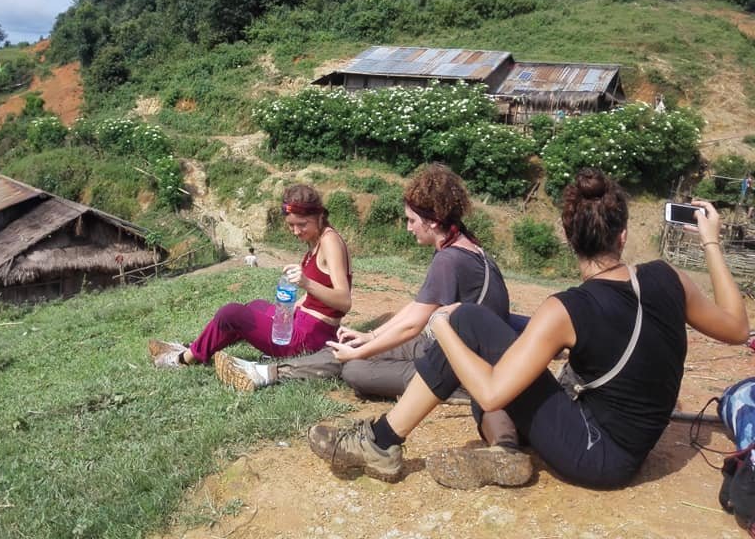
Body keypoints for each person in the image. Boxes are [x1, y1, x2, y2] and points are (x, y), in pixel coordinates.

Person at [309, 167, 750, 488]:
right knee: (476, 324)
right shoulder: (667, 277)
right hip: (627, 441)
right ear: (623, 235)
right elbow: (735, 327)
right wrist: (709, 240)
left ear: (568, 238)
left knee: (464, 324)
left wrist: (441, 325)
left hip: (596, 456)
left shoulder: (565, 309)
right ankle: (503, 449)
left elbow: (492, 392)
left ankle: (382, 443)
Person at [214, 163, 512, 403]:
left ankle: (265, 373)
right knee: (353, 348)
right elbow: (417, 308)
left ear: (432, 221)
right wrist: (369, 338)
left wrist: (361, 352)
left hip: (461, 365)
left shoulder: (449, 260)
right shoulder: (466, 246)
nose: (408, 228)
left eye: (411, 220)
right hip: (445, 346)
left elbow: (412, 324)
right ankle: (264, 372)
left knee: (355, 369)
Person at [149, 184, 352, 368]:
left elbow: (344, 301)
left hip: (309, 338)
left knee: (231, 313)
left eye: (302, 224)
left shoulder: (329, 242)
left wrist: (306, 283)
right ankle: (196, 346)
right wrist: (292, 308)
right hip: (300, 323)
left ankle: (184, 359)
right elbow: (316, 295)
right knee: (256, 306)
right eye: (291, 225)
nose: (296, 231)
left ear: (318, 216)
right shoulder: (316, 239)